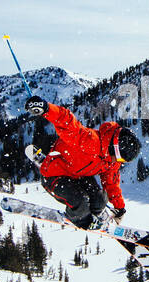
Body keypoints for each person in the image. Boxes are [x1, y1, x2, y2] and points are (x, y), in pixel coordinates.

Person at [24, 95, 141, 230]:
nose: (118, 162)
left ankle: (93, 217)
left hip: (78, 176)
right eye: (120, 157)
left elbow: (111, 182)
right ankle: (80, 219)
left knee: (101, 199)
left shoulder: (112, 161)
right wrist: (46, 108)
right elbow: (67, 122)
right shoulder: (91, 141)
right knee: (80, 202)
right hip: (55, 175)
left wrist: (120, 208)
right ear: (114, 146)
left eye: (122, 161)